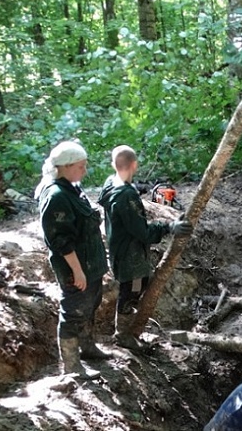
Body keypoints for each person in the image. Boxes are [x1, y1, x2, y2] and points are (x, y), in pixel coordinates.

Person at [97, 145, 192, 351]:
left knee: (130, 290)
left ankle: (127, 332)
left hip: (119, 249)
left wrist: (134, 188)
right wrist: (169, 227)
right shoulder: (125, 195)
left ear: (114, 165)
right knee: (131, 292)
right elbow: (143, 232)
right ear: (134, 165)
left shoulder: (110, 184)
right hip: (131, 255)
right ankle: (123, 336)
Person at [36, 141, 110, 379]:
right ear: (65, 167)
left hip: (91, 264)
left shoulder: (72, 189)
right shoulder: (56, 196)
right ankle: (71, 367)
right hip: (76, 267)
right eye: (81, 166)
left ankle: (88, 348)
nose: (85, 171)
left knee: (90, 305)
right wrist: (77, 271)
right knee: (73, 311)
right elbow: (60, 241)